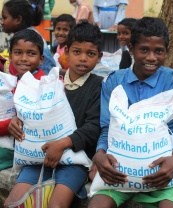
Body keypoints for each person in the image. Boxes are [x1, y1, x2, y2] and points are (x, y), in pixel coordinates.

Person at [88, 17, 173, 208]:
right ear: (131, 48)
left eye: (158, 51)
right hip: (119, 173)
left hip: (162, 173)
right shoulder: (114, 81)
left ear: (166, 52)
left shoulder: (171, 80)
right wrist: (100, 154)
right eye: (144, 50)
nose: (151, 57)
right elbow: (106, 127)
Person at [4, 20, 103, 208]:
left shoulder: (98, 86)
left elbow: (93, 127)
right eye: (76, 52)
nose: (82, 58)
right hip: (38, 158)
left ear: (99, 57)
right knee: (13, 202)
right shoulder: (51, 81)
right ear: (66, 52)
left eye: (90, 54)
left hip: (74, 161)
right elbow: (33, 111)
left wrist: (62, 144)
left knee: (56, 205)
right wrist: (17, 119)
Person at [0, 29, 45, 173]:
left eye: (31, 53)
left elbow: (27, 120)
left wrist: (6, 124)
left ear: (41, 59)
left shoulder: (41, 84)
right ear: (10, 56)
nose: (24, 58)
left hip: (21, 146)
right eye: (18, 52)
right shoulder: (12, 80)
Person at [0, 0, 55, 75]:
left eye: (4, 18)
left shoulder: (29, 38)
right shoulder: (21, 35)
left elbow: (47, 70)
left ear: (18, 19)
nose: (1, 22)